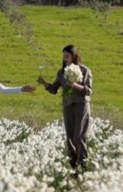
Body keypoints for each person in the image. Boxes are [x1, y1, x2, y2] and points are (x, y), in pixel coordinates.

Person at [37, 45, 93, 173]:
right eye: (64, 57)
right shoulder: (62, 72)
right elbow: (54, 89)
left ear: (74, 56)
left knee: (79, 138)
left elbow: (88, 91)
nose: (65, 59)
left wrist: (75, 85)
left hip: (81, 105)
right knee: (70, 139)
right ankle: (74, 168)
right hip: (67, 107)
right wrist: (44, 82)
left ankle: (84, 166)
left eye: (67, 56)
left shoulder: (85, 71)